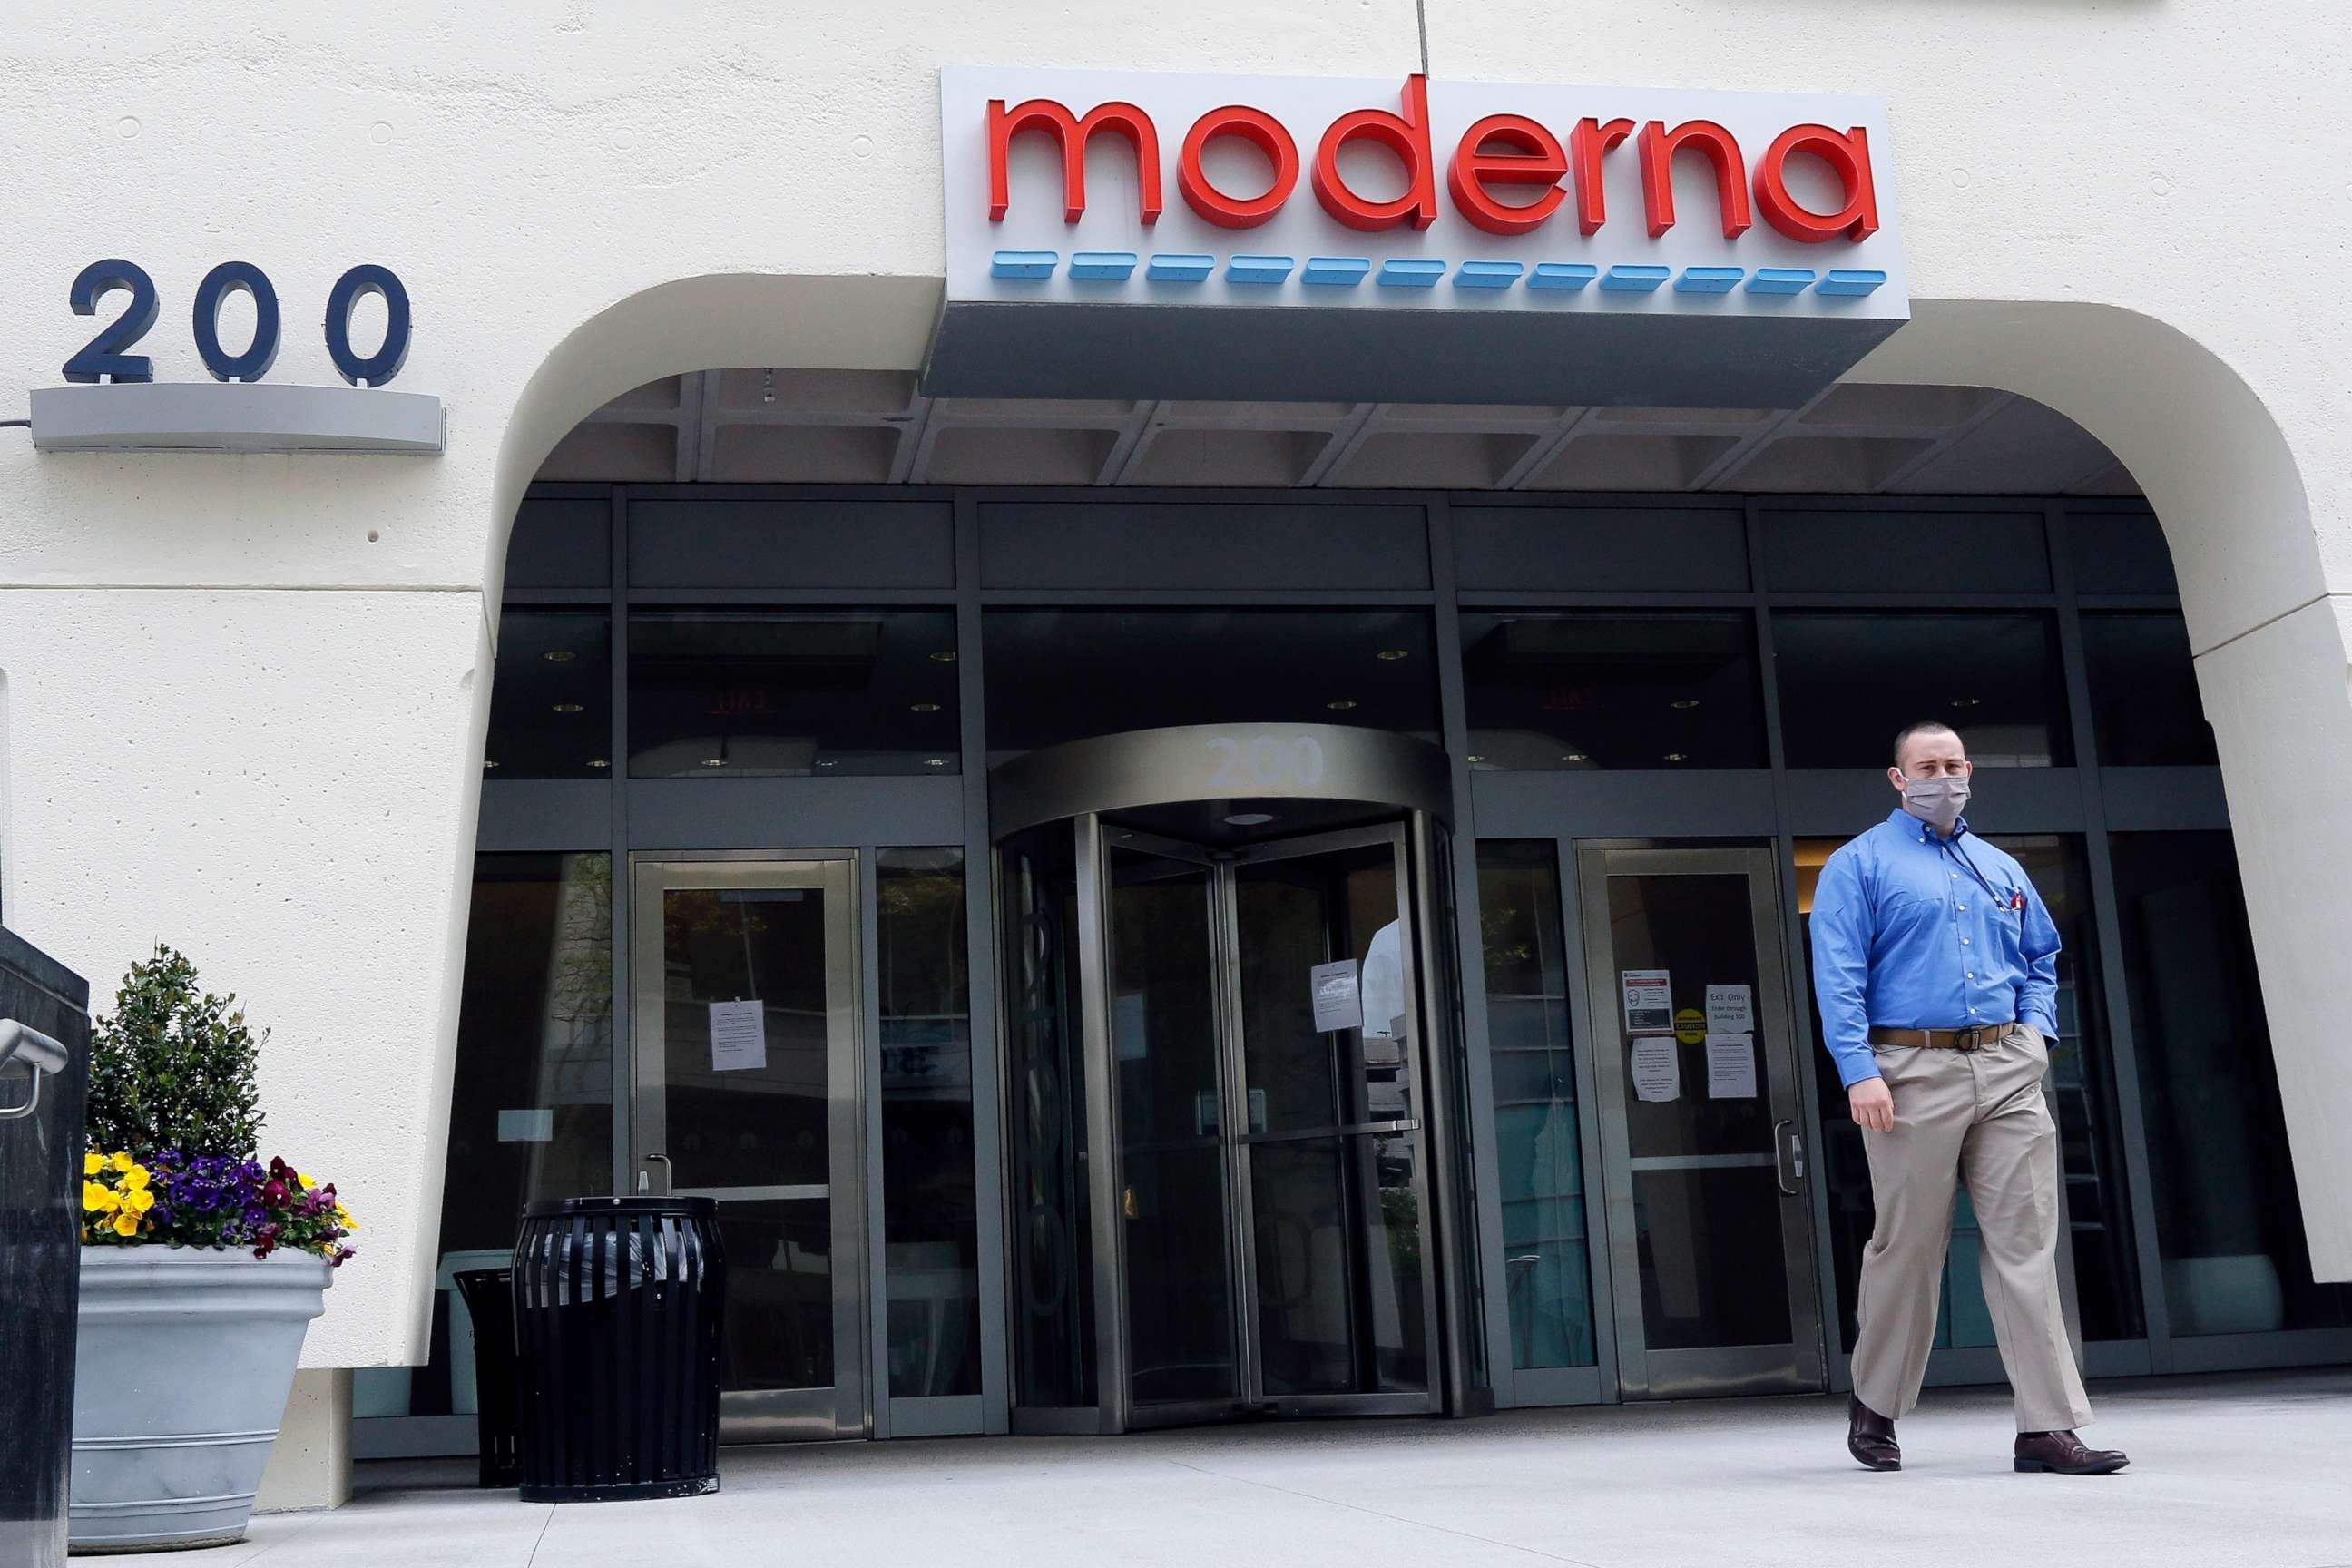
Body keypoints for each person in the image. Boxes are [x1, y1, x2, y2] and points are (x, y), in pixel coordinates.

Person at [1808, 720, 2128, 1476]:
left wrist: (2037, 1037)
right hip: (1909, 1072)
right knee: (1907, 1245)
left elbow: (2042, 956)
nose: (1941, 776)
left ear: (1970, 771)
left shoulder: (1999, 866)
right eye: (1927, 766)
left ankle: (2046, 1428)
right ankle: (1877, 1403)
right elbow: (1839, 973)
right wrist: (1859, 1070)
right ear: (1898, 777)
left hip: (2008, 1069)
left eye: (1953, 764)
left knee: (2026, 1246)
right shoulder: (1860, 864)